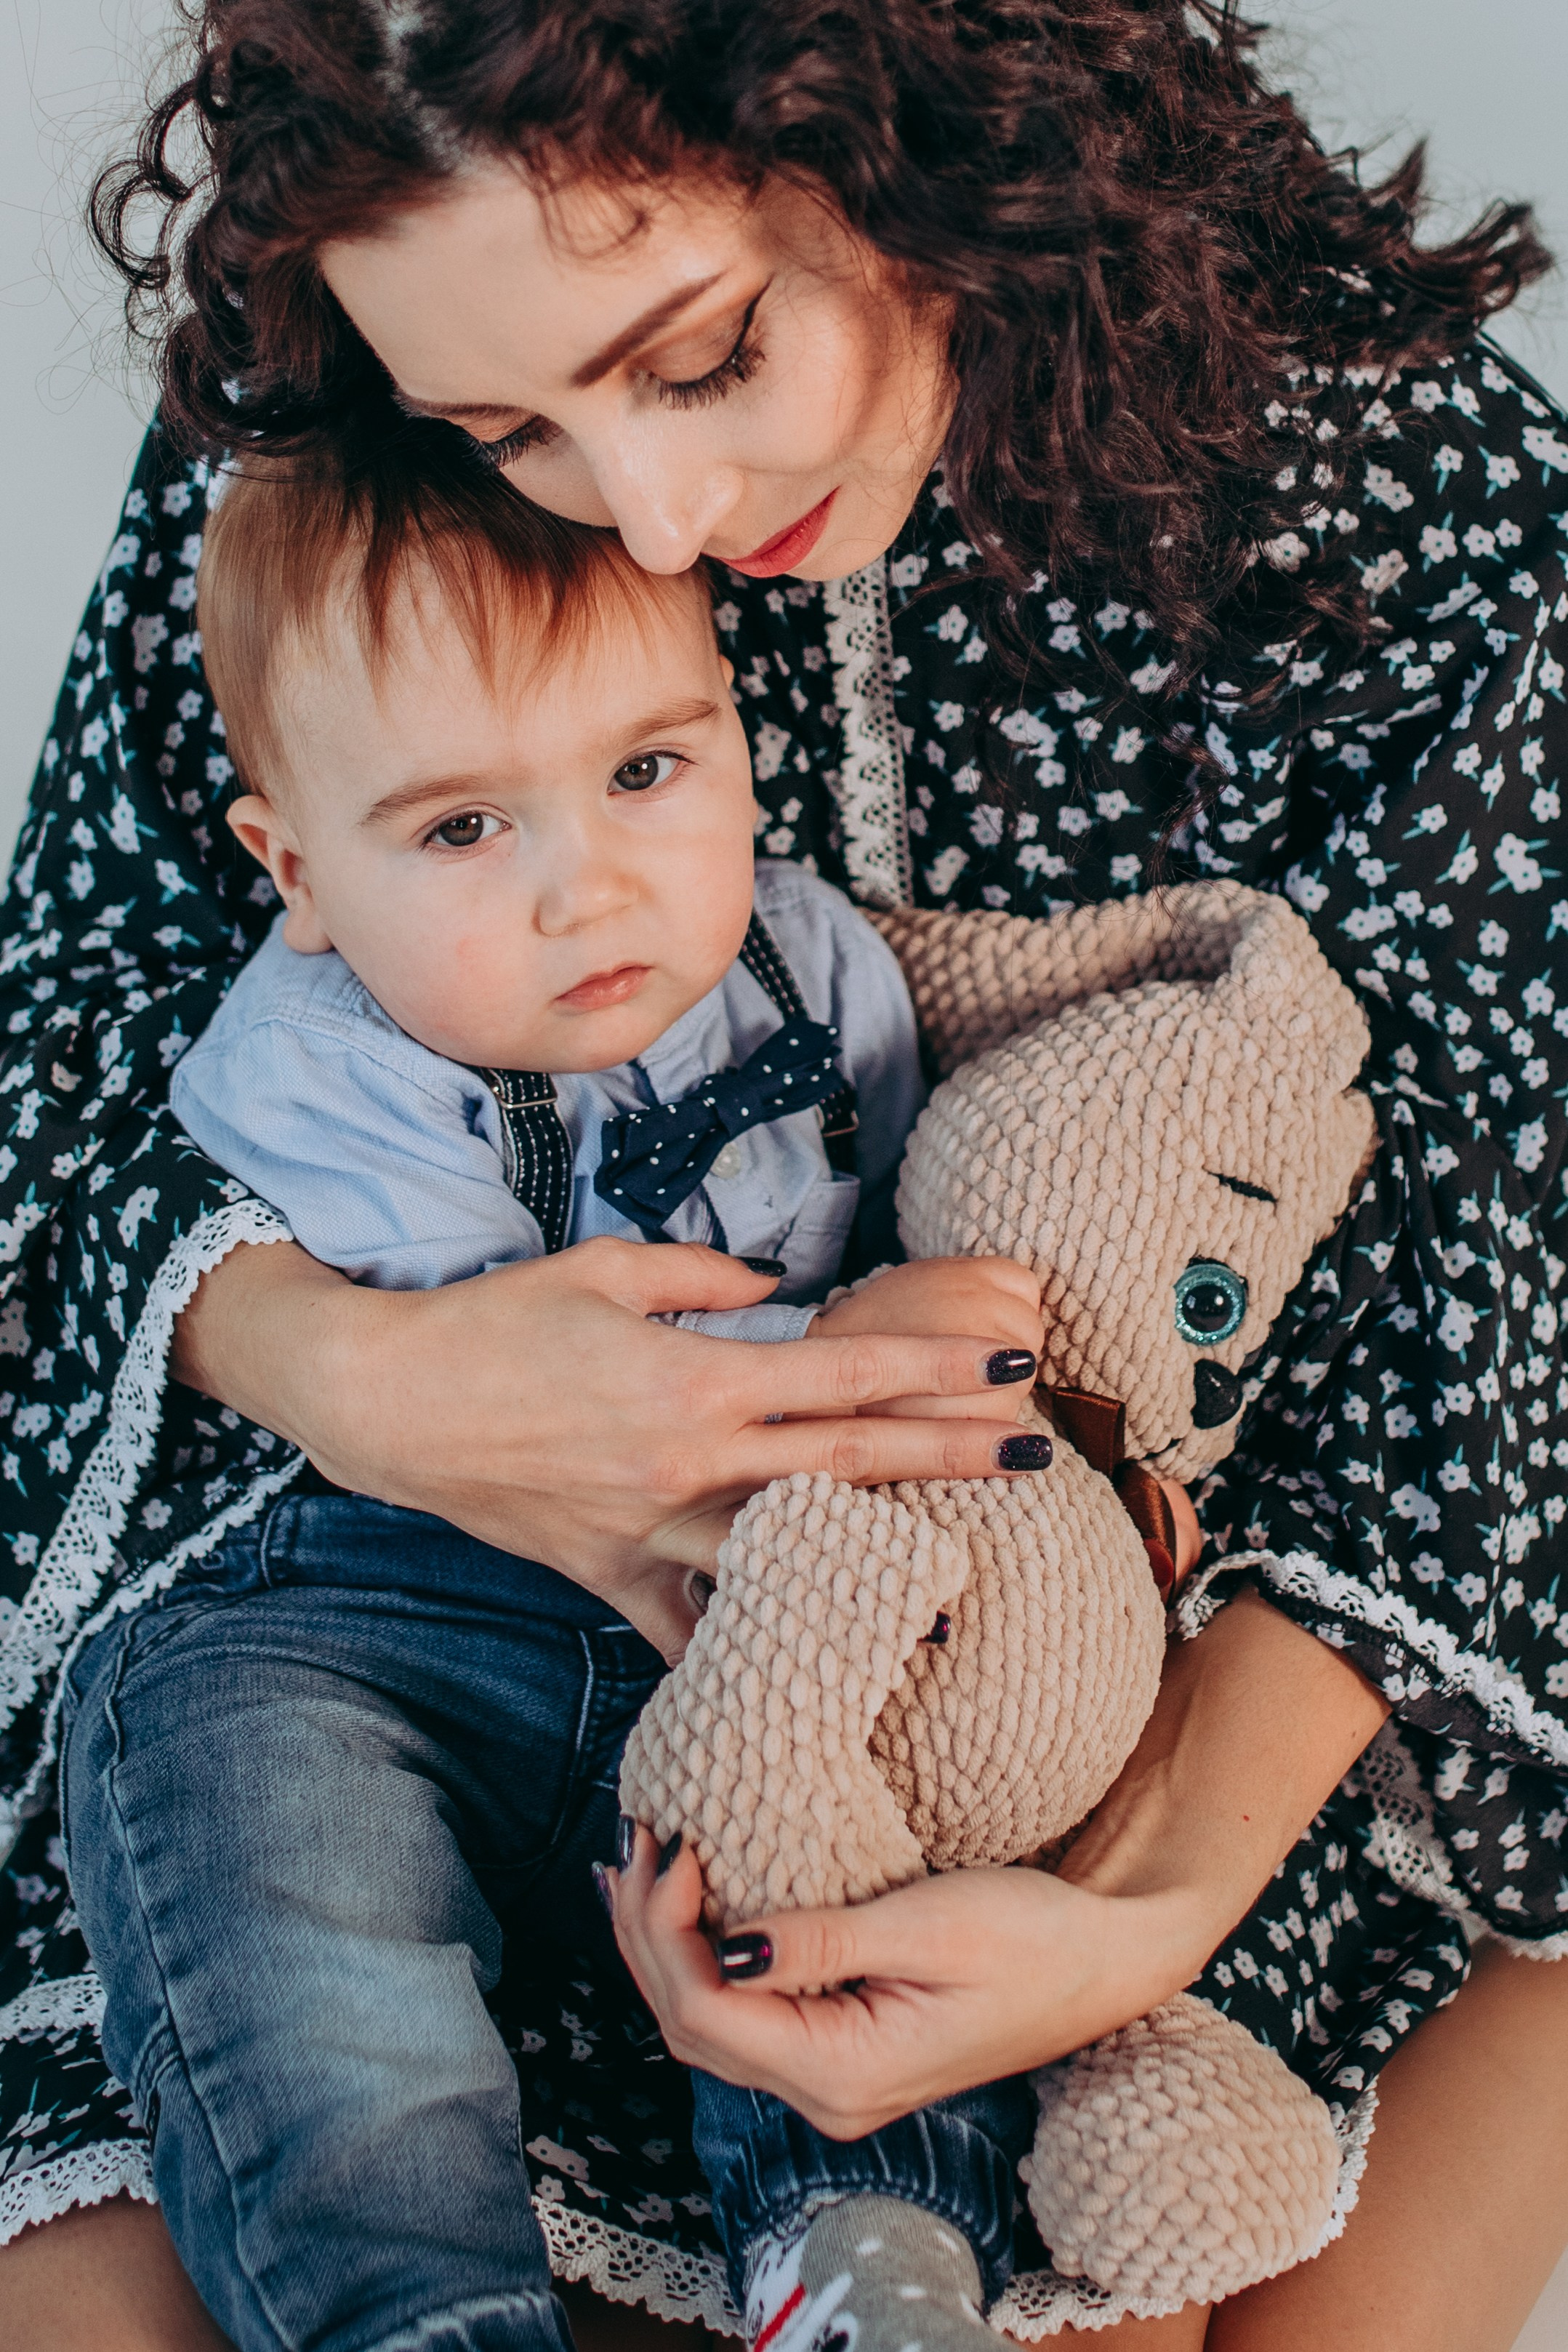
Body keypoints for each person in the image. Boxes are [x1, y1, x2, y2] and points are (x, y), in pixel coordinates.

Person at [4, 3, 1568, 2348]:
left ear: (923, 119)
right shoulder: (353, 376)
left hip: (1094, 1685)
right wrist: (371, 1374)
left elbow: (1503, 1284)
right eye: (508, 428)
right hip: (385, 1635)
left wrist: (1133, 1901)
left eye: (704, 354)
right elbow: (83, 1022)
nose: (643, 518)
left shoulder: (1403, 489)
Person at [62, 446, 1069, 2351]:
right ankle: (414, 2300)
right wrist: (867, 1352)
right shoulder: (314, 1062)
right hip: (415, 1597)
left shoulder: (822, 964)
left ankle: (867, 2243)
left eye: (643, 770)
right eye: (460, 831)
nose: (583, 881)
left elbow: (937, 1226)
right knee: (217, 1745)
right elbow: (553, 1400)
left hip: (740, 1611)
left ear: (734, 738)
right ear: (298, 872)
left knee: (882, 1783)